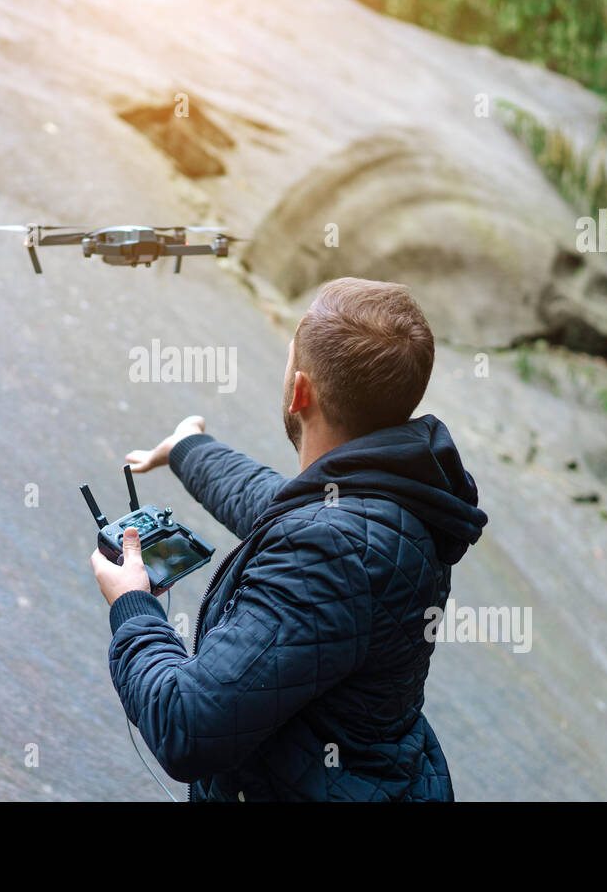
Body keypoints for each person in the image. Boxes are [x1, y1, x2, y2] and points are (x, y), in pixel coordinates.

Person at [89, 277, 488, 801]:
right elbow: (280, 506)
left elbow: (188, 727)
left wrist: (133, 607)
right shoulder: (400, 501)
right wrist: (189, 448)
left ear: (299, 390)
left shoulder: (331, 550)